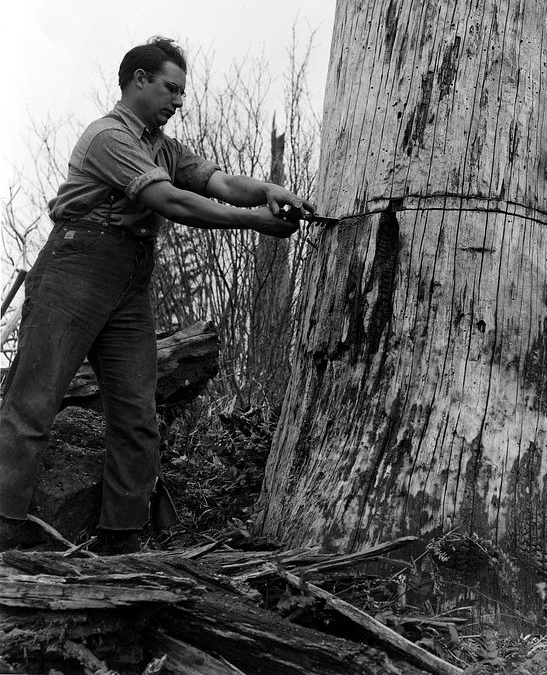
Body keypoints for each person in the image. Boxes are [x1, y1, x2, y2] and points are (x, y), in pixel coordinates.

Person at [0, 37, 314, 553]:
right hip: (76, 266)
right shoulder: (107, 136)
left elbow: (217, 181)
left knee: (137, 415)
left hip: (129, 276)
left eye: (181, 93)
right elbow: (168, 199)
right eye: (171, 88)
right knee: (32, 404)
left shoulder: (163, 145)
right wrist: (253, 224)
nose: (178, 101)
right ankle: (5, 533)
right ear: (138, 79)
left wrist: (267, 192)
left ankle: (122, 543)